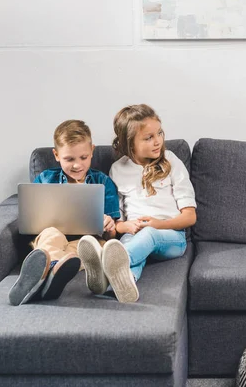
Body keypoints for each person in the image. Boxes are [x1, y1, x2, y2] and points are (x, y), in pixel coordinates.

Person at [78, 104, 196, 303]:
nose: (157, 141)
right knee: (124, 247)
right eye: (148, 138)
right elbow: (118, 224)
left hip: (171, 238)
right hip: (134, 235)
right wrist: (125, 226)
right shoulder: (117, 169)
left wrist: (157, 224)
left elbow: (190, 217)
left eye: (159, 133)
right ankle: (121, 284)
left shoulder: (171, 160)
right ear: (130, 143)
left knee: (146, 236)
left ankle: (102, 266)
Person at [9, 120, 120, 306]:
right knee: (51, 236)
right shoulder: (45, 179)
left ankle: (44, 278)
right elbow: (31, 220)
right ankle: (51, 270)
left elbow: (113, 234)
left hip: (85, 240)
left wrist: (109, 225)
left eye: (84, 157)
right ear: (56, 155)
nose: (77, 165)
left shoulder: (103, 182)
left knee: (89, 249)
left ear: (92, 150)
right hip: (50, 235)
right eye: (70, 159)